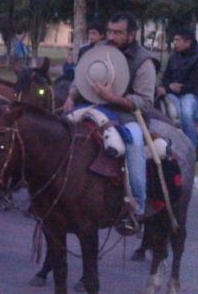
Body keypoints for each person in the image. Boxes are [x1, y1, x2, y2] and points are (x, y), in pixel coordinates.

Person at [63, 12, 155, 233]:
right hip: (90, 105)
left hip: (127, 113)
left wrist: (113, 98)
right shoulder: (99, 50)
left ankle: (136, 206)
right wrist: (70, 97)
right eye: (111, 31)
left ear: (131, 34)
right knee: (60, 129)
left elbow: (145, 102)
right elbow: (81, 77)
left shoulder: (144, 61)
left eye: (118, 32)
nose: (112, 36)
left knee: (133, 142)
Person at [157, 28, 198, 149]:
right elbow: (165, 77)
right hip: (173, 92)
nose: (174, 43)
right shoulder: (174, 56)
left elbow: (194, 84)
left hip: (191, 94)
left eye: (177, 40)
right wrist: (170, 87)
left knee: (186, 114)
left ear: (188, 42)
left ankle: (191, 146)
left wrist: (173, 88)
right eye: (174, 40)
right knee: (165, 112)